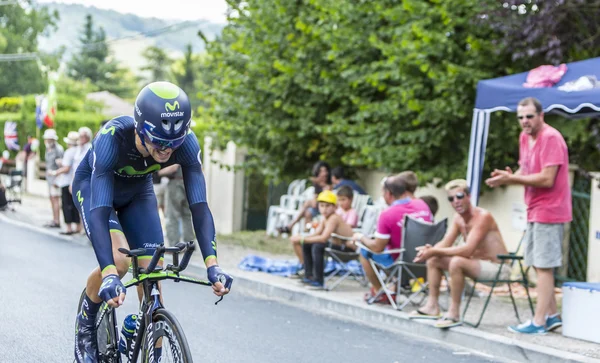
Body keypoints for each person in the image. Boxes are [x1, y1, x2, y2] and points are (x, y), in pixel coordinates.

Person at [72, 82, 233, 363]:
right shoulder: (112, 138)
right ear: (140, 129)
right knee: (121, 263)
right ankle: (85, 325)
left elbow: (199, 206)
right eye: (159, 142)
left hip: (138, 194)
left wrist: (213, 264)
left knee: (153, 274)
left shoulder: (186, 144)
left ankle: (145, 340)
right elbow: (98, 211)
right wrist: (110, 272)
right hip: (96, 192)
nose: (166, 151)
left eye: (175, 143)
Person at [486, 97, 570, 335]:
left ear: (541, 116)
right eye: (520, 117)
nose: (524, 121)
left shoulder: (551, 138)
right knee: (535, 263)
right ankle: (552, 316)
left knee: (544, 266)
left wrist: (512, 179)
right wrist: (507, 175)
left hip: (550, 210)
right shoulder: (525, 138)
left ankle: (539, 321)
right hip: (533, 208)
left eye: (529, 116)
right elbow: (526, 170)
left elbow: (546, 178)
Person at [412, 179, 510, 328]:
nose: (456, 201)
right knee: (434, 259)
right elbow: (445, 243)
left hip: (498, 269)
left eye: (459, 196)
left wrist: (434, 250)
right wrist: (428, 251)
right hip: (476, 265)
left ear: (468, 196)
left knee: (457, 262)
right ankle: (432, 306)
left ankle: (454, 313)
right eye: (451, 198)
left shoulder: (483, 217)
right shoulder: (458, 219)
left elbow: (467, 250)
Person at [353, 174, 432, 303]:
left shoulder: (388, 214)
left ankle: (380, 291)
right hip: (425, 263)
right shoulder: (422, 205)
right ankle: (392, 289)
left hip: (401, 265)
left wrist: (361, 237)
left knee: (364, 250)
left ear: (388, 193)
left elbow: (377, 248)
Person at [290, 190, 355, 289]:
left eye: (328, 206)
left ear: (334, 207)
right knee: (307, 244)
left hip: (347, 249)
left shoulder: (334, 218)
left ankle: (318, 281)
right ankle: (309, 275)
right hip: (337, 246)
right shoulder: (325, 218)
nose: (324, 209)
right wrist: (301, 238)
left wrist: (302, 239)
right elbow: (316, 233)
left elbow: (323, 238)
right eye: (322, 206)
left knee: (317, 246)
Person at [278, 161, 332, 234]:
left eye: (325, 171)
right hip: (317, 207)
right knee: (307, 213)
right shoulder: (317, 184)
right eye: (321, 171)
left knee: (307, 205)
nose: (324, 173)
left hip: (326, 208)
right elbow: (314, 201)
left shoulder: (330, 184)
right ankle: (305, 233)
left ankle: (292, 226)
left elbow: (326, 201)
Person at [159, 164, 195, 246]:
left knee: (172, 215)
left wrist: (157, 173)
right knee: (187, 216)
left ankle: (173, 245)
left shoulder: (177, 152)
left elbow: (173, 167)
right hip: (189, 183)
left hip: (176, 183)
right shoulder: (192, 153)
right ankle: (190, 244)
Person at [54, 131, 81, 235]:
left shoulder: (69, 152)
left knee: (66, 205)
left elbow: (66, 167)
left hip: (67, 181)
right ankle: (78, 227)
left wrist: (55, 172)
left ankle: (69, 227)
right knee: (74, 205)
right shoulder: (79, 150)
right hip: (75, 181)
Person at [43, 129, 64, 228]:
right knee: (52, 199)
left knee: (55, 199)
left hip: (55, 178)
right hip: (49, 179)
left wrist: (58, 179)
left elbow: (61, 165)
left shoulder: (58, 150)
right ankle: (54, 219)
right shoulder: (48, 148)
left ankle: (57, 221)